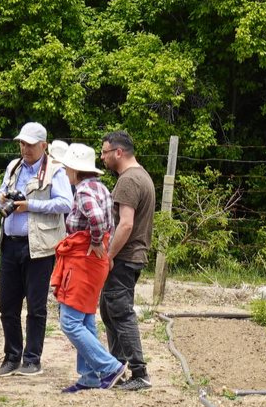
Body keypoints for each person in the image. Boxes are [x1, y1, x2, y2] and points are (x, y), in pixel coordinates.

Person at [0, 122, 72, 377]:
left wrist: (31, 205)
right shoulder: (13, 167)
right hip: (11, 245)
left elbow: (64, 203)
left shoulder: (55, 171)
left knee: (36, 307)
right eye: (21, 143)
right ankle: (11, 356)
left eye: (29, 144)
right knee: (7, 305)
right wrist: (3, 200)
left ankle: (32, 358)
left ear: (43, 145)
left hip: (39, 248)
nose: (24, 148)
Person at [51, 143, 128, 392]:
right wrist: (102, 245)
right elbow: (110, 222)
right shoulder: (101, 188)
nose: (65, 173)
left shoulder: (83, 191)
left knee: (70, 322)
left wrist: (95, 242)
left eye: (67, 169)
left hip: (82, 260)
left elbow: (95, 218)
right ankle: (89, 377)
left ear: (75, 169)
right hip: (93, 262)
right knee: (85, 318)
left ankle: (109, 367)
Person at [98, 130, 156, 391]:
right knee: (109, 310)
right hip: (131, 256)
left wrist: (108, 255)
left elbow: (126, 225)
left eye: (105, 152)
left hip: (124, 257)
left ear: (118, 152)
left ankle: (139, 373)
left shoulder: (129, 180)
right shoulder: (141, 175)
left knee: (121, 313)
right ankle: (116, 366)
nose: (102, 157)